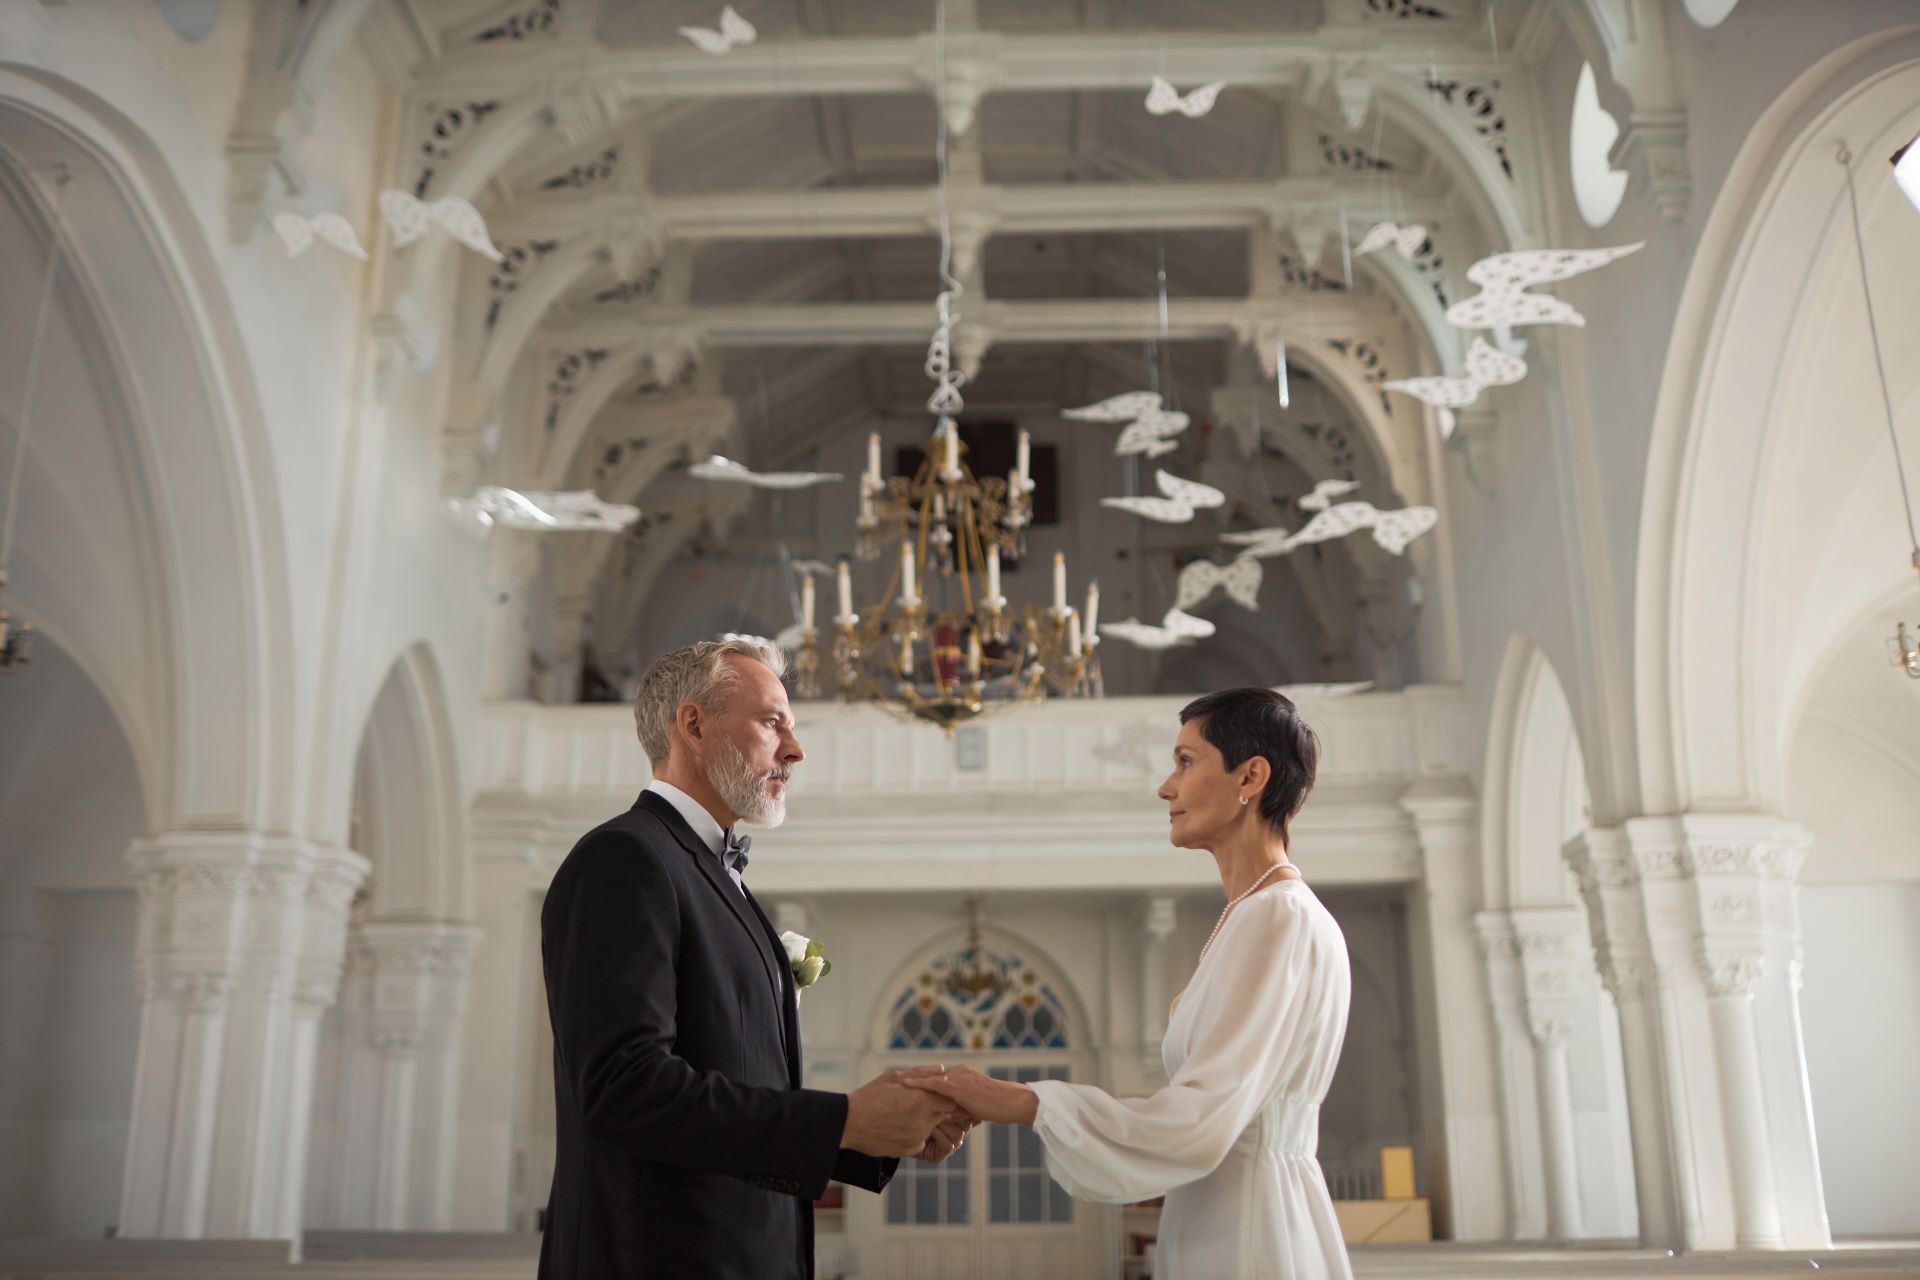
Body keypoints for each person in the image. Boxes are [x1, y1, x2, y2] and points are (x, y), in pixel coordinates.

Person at [539, 639, 970, 1280]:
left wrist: (870, 1135)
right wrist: (844, 1119)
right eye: (773, 722)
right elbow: (624, 1090)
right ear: (692, 725)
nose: (795, 750)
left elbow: (733, 1090)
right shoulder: (626, 860)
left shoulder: (713, 872)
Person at [908, 687, 1354, 1280]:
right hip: (1227, 1204)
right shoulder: (1256, 914)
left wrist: (1024, 1101)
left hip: (1249, 1226)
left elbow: (1199, 1122)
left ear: (1251, 776)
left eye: (1186, 762)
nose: (1166, 787)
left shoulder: (1279, 916)